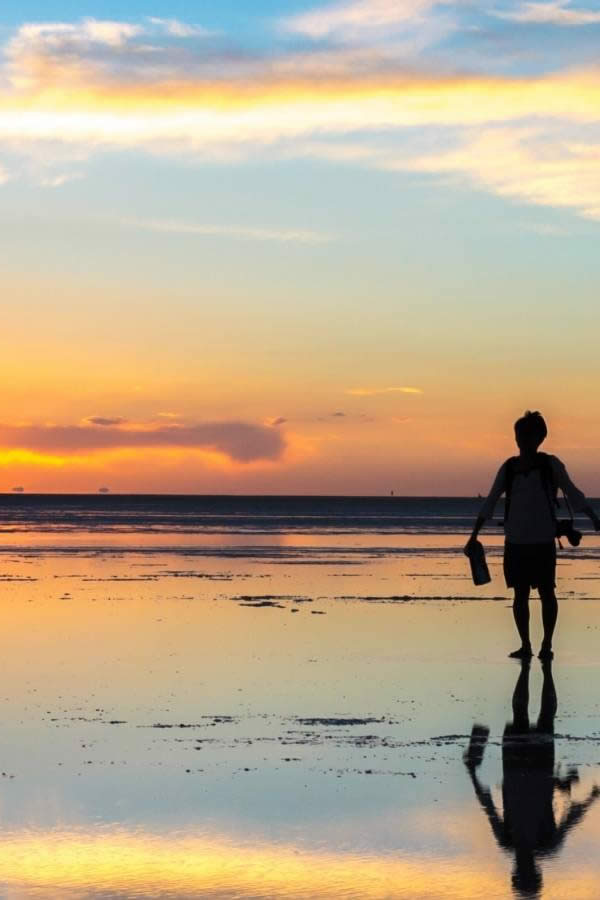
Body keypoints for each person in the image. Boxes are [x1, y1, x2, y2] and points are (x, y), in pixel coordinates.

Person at [465, 411, 600, 659]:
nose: (522, 440)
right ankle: (525, 645)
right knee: (520, 595)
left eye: (528, 435)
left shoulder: (551, 465)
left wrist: (593, 518)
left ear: (540, 437)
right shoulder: (509, 468)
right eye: (519, 435)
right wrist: (473, 535)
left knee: (547, 592)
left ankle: (546, 645)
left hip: (543, 541)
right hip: (516, 541)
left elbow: (573, 493)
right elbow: (491, 501)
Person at [464, 659, 600, 898]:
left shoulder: (507, 841)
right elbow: (570, 818)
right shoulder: (547, 843)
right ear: (537, 873)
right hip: (540, 768)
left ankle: (527, 668)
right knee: (546, 717)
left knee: (520, 715)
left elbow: (488, 806)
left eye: (522, 875)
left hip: (515, 767)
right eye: (530, 875)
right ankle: (546, 669)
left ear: (515, 873)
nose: (525, 869)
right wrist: (590, 798)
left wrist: (473, 774)